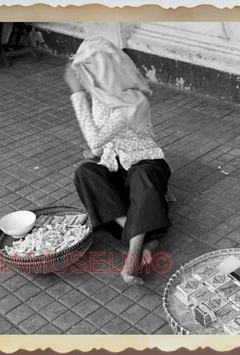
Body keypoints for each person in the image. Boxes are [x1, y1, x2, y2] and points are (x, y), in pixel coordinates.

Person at [64, 37, 172, 285]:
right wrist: (95, 156)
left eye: (90, 73)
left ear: (109, 72)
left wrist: (76, 94)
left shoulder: (134, 100)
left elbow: (95, 139)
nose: (87, 80)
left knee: (141, 177)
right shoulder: (101, 100)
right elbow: (99, 146)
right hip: (115, 167)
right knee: (85, 173)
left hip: (146, 165)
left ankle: (132, 256)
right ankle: (146, 241)